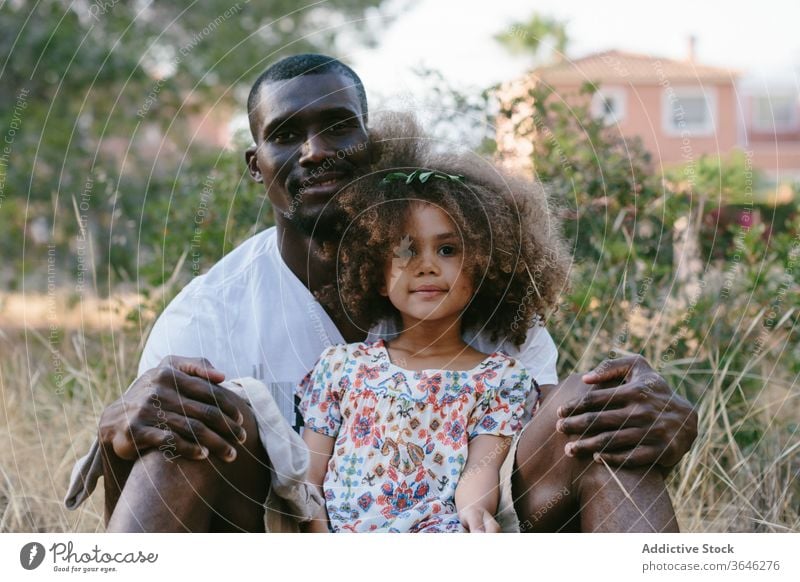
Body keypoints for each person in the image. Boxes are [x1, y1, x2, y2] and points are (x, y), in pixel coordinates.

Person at [65, 54, 694, 532]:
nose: (314, 151)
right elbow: (148, 481)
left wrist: (619, 405)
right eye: (286, 134)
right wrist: (122, 425)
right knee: (188, 416)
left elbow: (521, 453)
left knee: (601, 422)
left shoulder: (470, 281)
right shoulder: (208, 317)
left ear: (373, 145)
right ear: (256, 165)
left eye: (338, 127)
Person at [299, 127, 570, 532]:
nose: (426, 266)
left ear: (481, 267)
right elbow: (309, 477)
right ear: (376, 273)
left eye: (447, 249)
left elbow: (480, 470)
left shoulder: (500, 380)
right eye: (405, 250)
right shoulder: (341, 367)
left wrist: (476, 513)